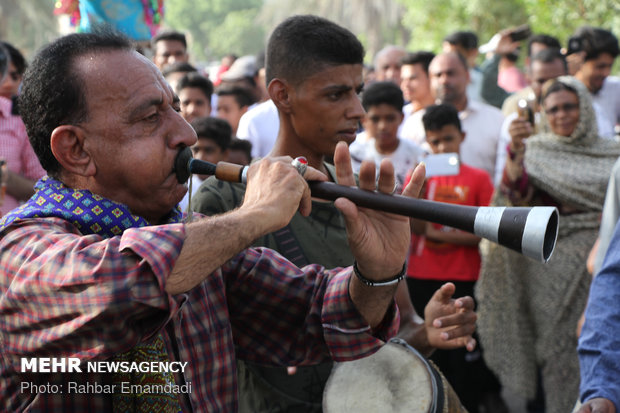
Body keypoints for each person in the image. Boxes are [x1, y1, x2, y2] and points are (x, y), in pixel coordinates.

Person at [0, 25, 428, 412]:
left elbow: (326, 316)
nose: (186, 133)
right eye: (151, 118)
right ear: (75, 150)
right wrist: (256, 214)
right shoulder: (21, 254)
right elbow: (122, 286)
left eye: (176, 108)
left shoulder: (199, 248)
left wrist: (377, 272)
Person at [192, 15, 476, 412]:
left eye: (357, 91)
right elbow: (212, 341)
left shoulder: (369, 195)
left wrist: (429, 330)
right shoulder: (227, 200)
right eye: (336, 94)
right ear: (282, 95)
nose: (358, 110)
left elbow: (395, 334)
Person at [476, 76, 620, 413]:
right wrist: (516, 155)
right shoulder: (535, 150)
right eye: (552, 109)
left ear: (584, 108)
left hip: (603, 261)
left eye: (569, 106)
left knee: (601, 335)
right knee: (555, 349)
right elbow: (514, 201)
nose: (562, 115)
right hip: (548, 270)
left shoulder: (612, 151)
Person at [406, 103, 501, 413]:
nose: (442, 147)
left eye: (448, 139)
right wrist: (418, 194)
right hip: (423, 275)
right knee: (429, 350)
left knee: (462, 350)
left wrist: (435, 235)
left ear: (462, 136)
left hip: (463, 275)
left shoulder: (478, 179)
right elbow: (413, 225)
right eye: (435, 142)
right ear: (426, 142)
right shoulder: (420, 175)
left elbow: (482, 232)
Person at [493, 48, 568, 185]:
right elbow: (503, 177)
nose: (548, 88)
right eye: (541, 81)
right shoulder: (516, 121)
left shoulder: (583, 116)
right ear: (529, 80)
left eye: (555, 81)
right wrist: (516, 147)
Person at [428, 52, 504, 181]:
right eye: (438, 75)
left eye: (451, 73)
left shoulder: (496, 119)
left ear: (468, 76)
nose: (444, 80)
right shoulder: (414, 124)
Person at [349, 81, 425, 192]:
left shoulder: (418, 156)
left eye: (390, 118)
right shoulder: (354, 152)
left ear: (402, 118)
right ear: (364, 120)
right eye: (375, 119)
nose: (383, 126)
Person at [0, 43, 45, 216]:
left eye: (17, 76)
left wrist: (6, 178)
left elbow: (42, 190)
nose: (12, 82)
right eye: (7, 74)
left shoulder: (21, 121)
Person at [567, 26, 620, 140]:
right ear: (579, 60)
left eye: (609, 66)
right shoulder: (565, 94)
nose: (606, 73)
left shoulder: (615, 88)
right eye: (600, 66)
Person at [178, 117, 232, 213]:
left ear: (225, 154)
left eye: (208, 150)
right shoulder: (179, 190)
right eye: (196, 150)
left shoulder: (232, 191)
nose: (200, 157)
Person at [399, 50, 435, 140]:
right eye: (403, 79)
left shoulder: (446, 114)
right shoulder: (400, 115)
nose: (405, 85)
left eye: (412, 78)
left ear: (431, 77)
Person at [442, 31, 483, 103]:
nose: (450, 59)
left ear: (473, 52)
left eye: (455, 54)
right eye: (446, 55)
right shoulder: (440, 81)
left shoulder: (484, 79)